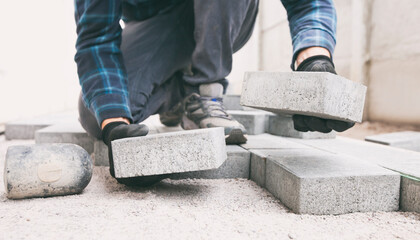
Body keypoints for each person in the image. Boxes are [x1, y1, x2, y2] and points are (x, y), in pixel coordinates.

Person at [74, 0, 354, 186]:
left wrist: (314, 61)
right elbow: (96, 37)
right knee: (95, 112)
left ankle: (204, 89)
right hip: (160, 24)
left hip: (226, 11)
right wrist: (114, 124)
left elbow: (307, 3)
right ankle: (182, 89)